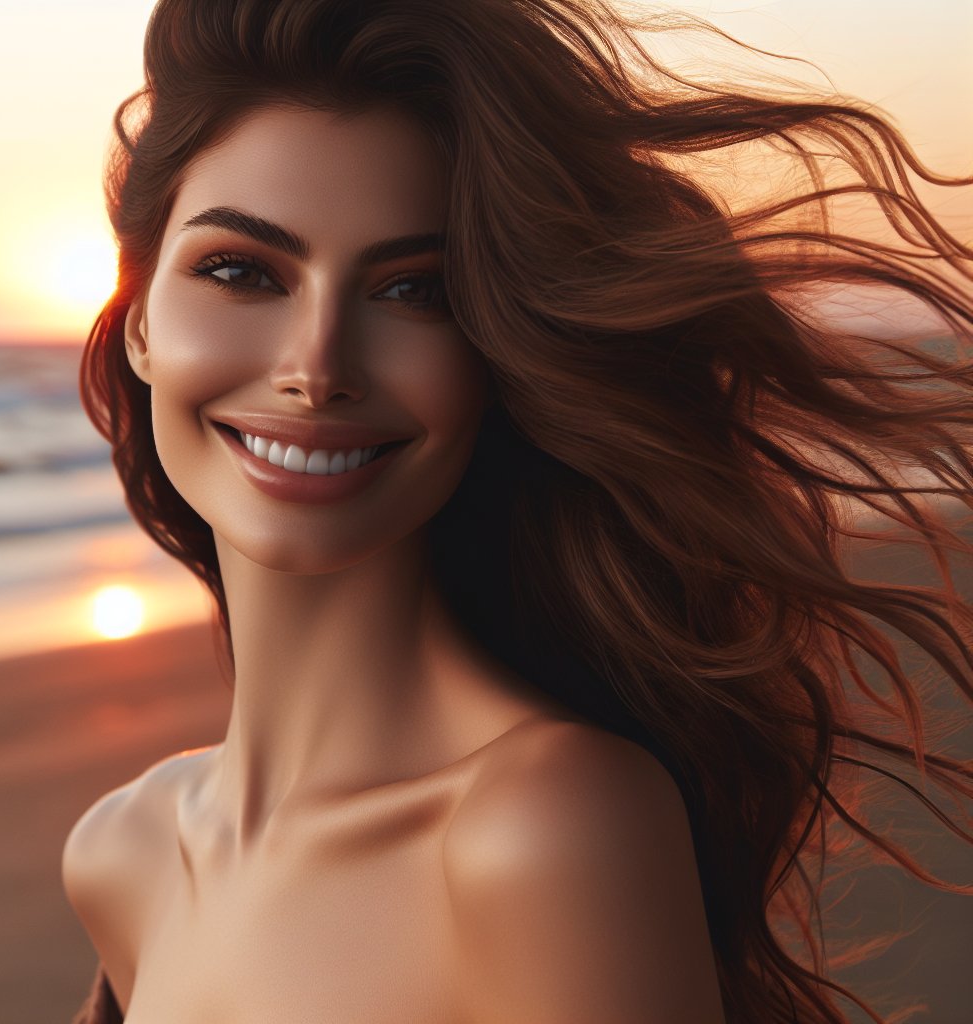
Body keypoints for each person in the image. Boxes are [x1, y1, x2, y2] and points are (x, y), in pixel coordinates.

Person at [63, 1, 973, 1021]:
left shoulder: (549, 822)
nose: (315, 367)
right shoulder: (124, 850)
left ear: (491, 354)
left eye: (417, 292)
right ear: (139, 319)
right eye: (241, 272)